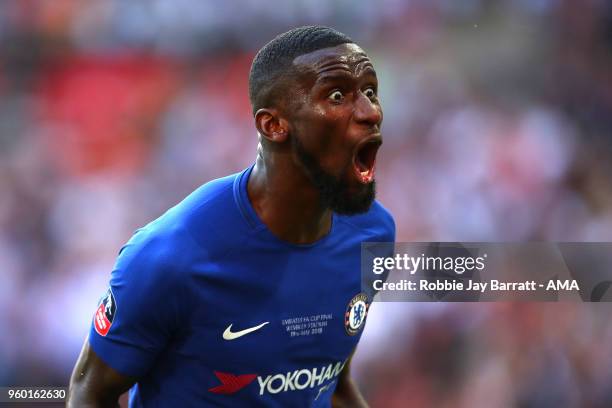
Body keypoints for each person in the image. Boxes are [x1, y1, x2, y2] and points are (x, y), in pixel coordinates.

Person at [67, 25, 395, 408]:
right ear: (273, 125)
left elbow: (331, 383)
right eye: (337, 95)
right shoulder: (170, 258)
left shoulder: (373, 233)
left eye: (370, 92)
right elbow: (89, 392)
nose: (371, 112)